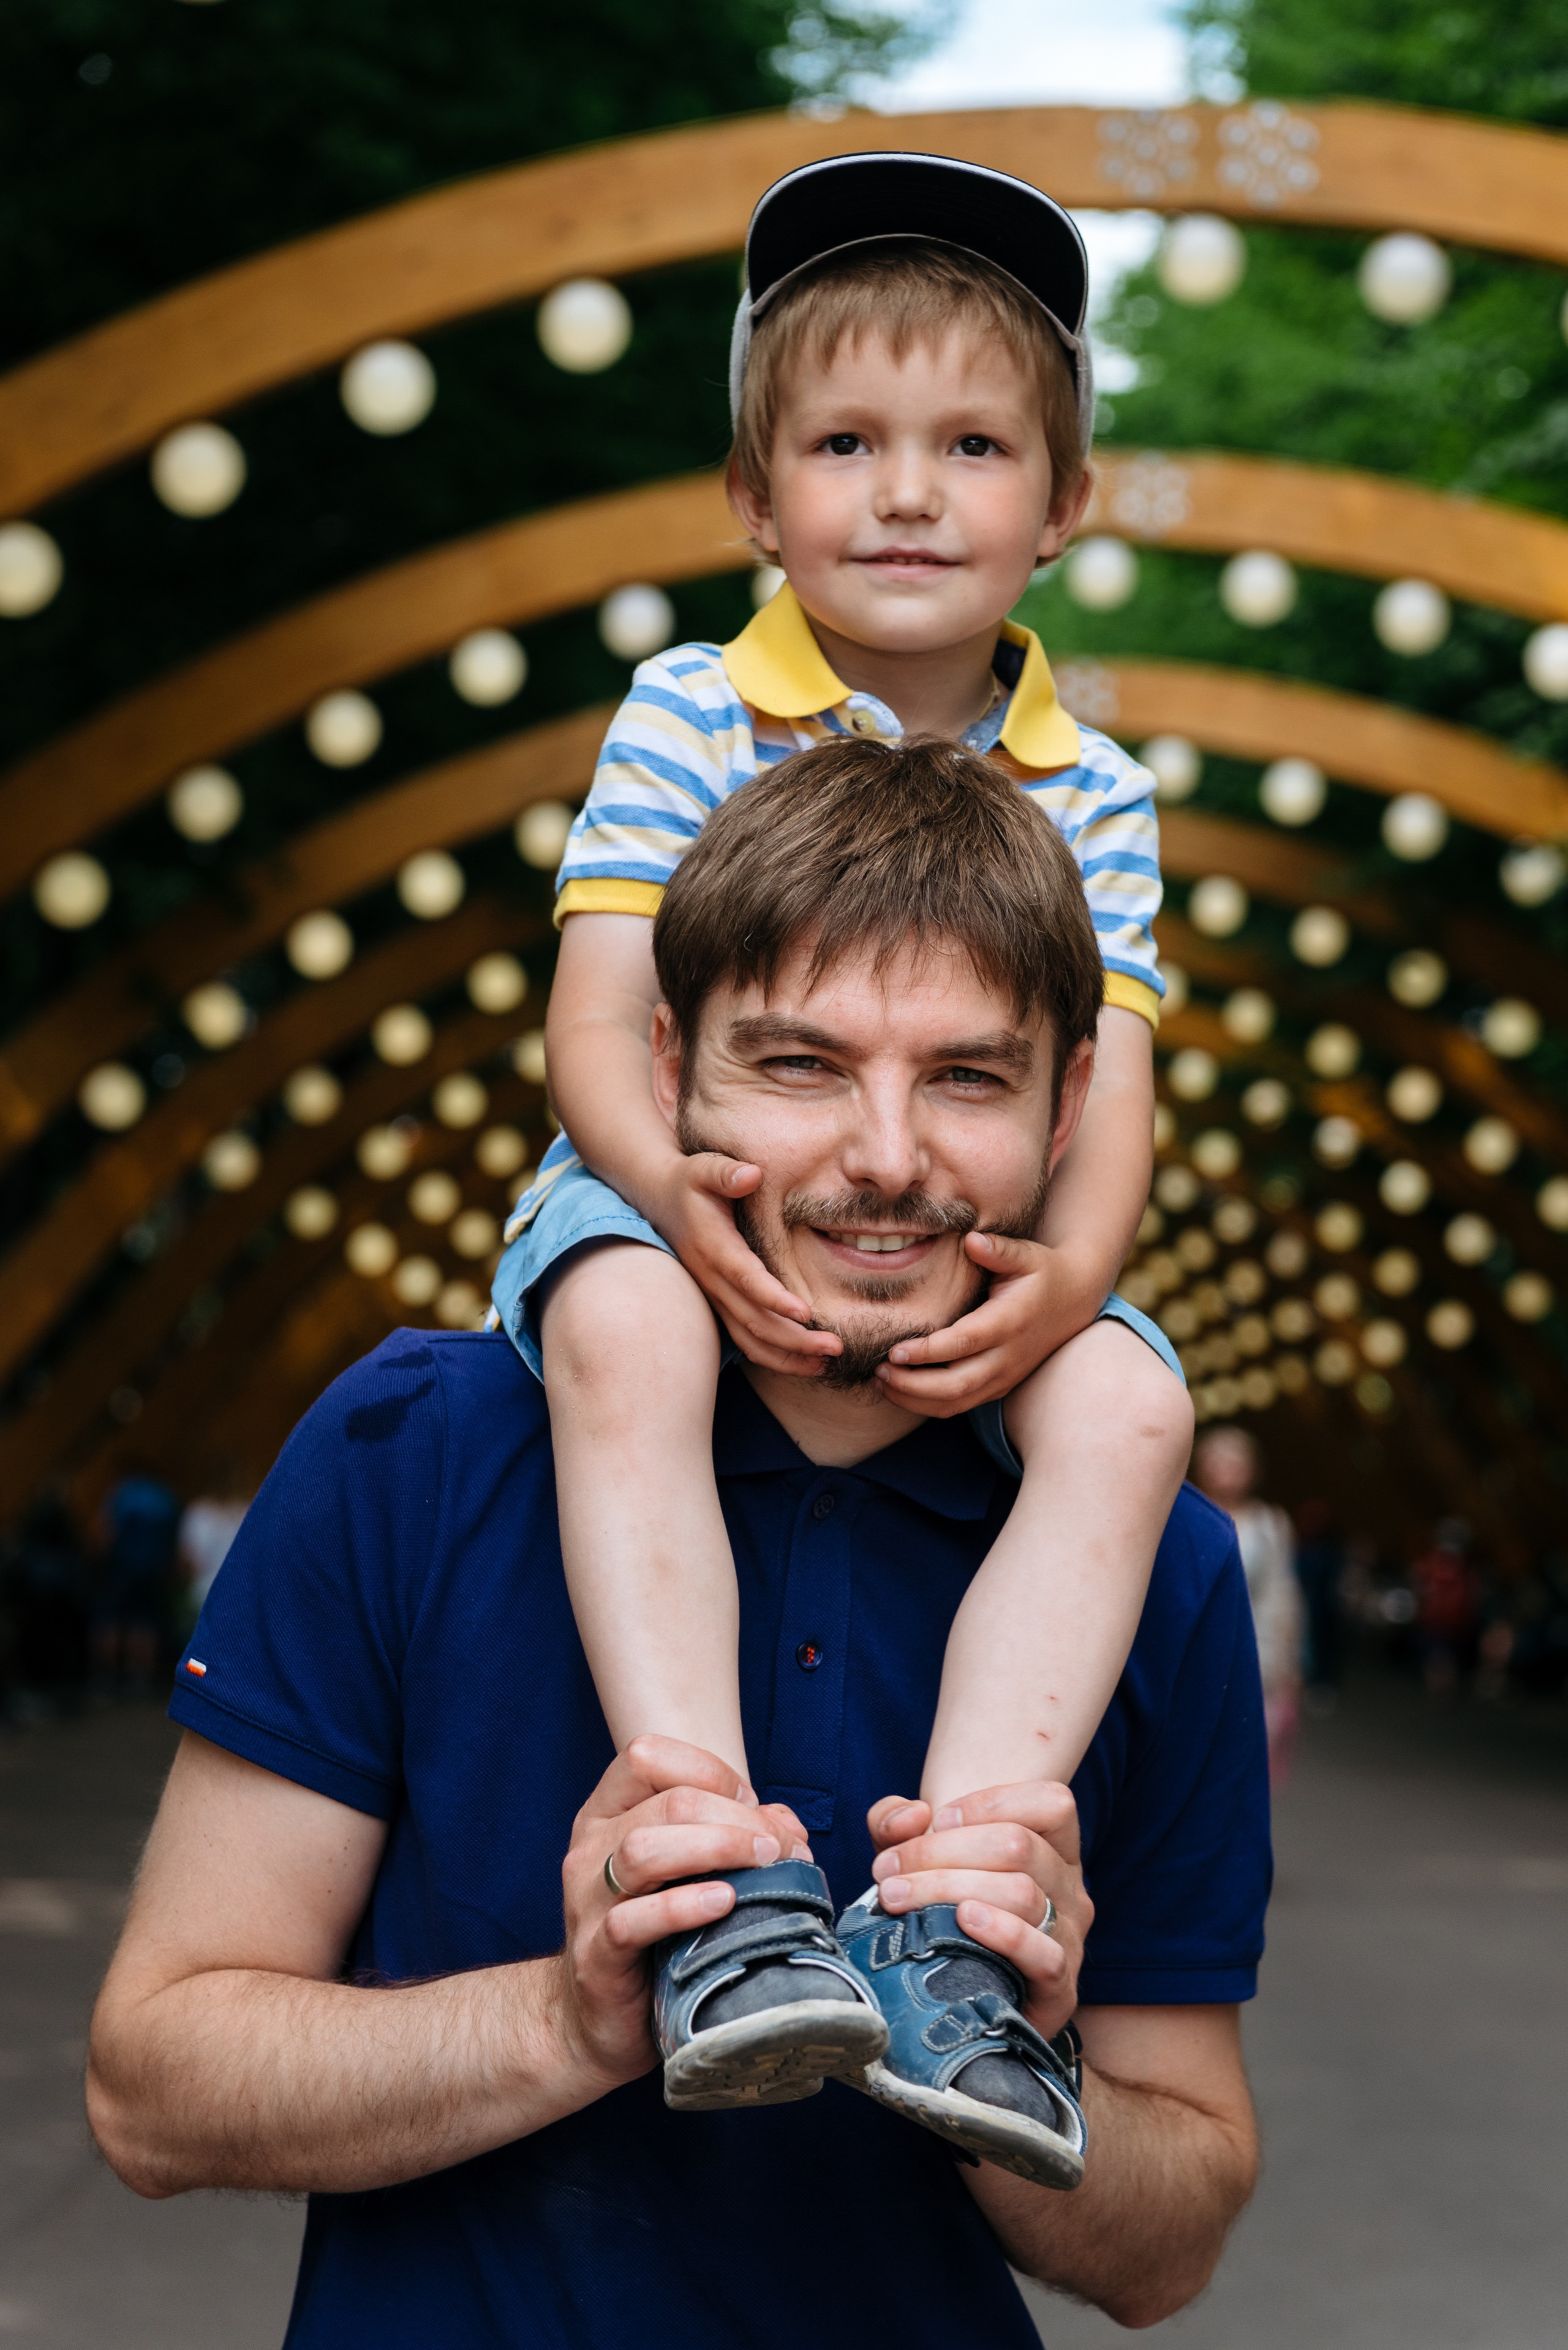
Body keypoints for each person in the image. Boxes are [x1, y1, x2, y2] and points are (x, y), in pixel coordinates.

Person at [88, 741, 1268, 2348]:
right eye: (799, 1064)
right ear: (664, 1070)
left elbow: (1171, 2242)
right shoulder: (415, 1446)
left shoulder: (1158, 1560)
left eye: (967, 1079)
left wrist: (1023, 2041)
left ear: (1070, 1108)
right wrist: (574, 2017)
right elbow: (152, 2087)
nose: (887, 1156)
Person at [492, 151, 1192, 2105]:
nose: (906, 493)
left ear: (1061, 503)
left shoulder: (1097, 789)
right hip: (679, 1193)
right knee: (624, 1326)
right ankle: (714, 1871)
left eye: (973, 444)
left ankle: (955, 1910)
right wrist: (670, 1199)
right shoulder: (689, 706)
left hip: (943, 1241)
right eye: (844, 442)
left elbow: (1111, 1073)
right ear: (753, 494)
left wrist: (1070, 1284)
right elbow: (600, 1014)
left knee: (1133, 1409)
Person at [1194, 1426, 1302, 1786]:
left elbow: (1281, 1594)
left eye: (1235, 1462)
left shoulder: (1270, 1524)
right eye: (1217, 1460)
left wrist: (1288, 1661)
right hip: (1192, 1648)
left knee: (1242, 1754)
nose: (1225, 1470)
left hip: (1252, 1648)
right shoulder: (1183, 1513)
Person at [91, 1465, 181, 1699]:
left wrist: (97, 1563)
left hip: (122, 1567)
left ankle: (107, 1678)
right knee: (146, 1623)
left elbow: (107, 1531)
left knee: (110, 1621)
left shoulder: (123, 1493)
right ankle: (140, 1678)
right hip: (154, 1570)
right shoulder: (163, 1496)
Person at [176, 1460, 251, 1620]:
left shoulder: (245, 1512)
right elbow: (185, 1561)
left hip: (237, 1599)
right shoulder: (198, 1513)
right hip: (201, 1599)